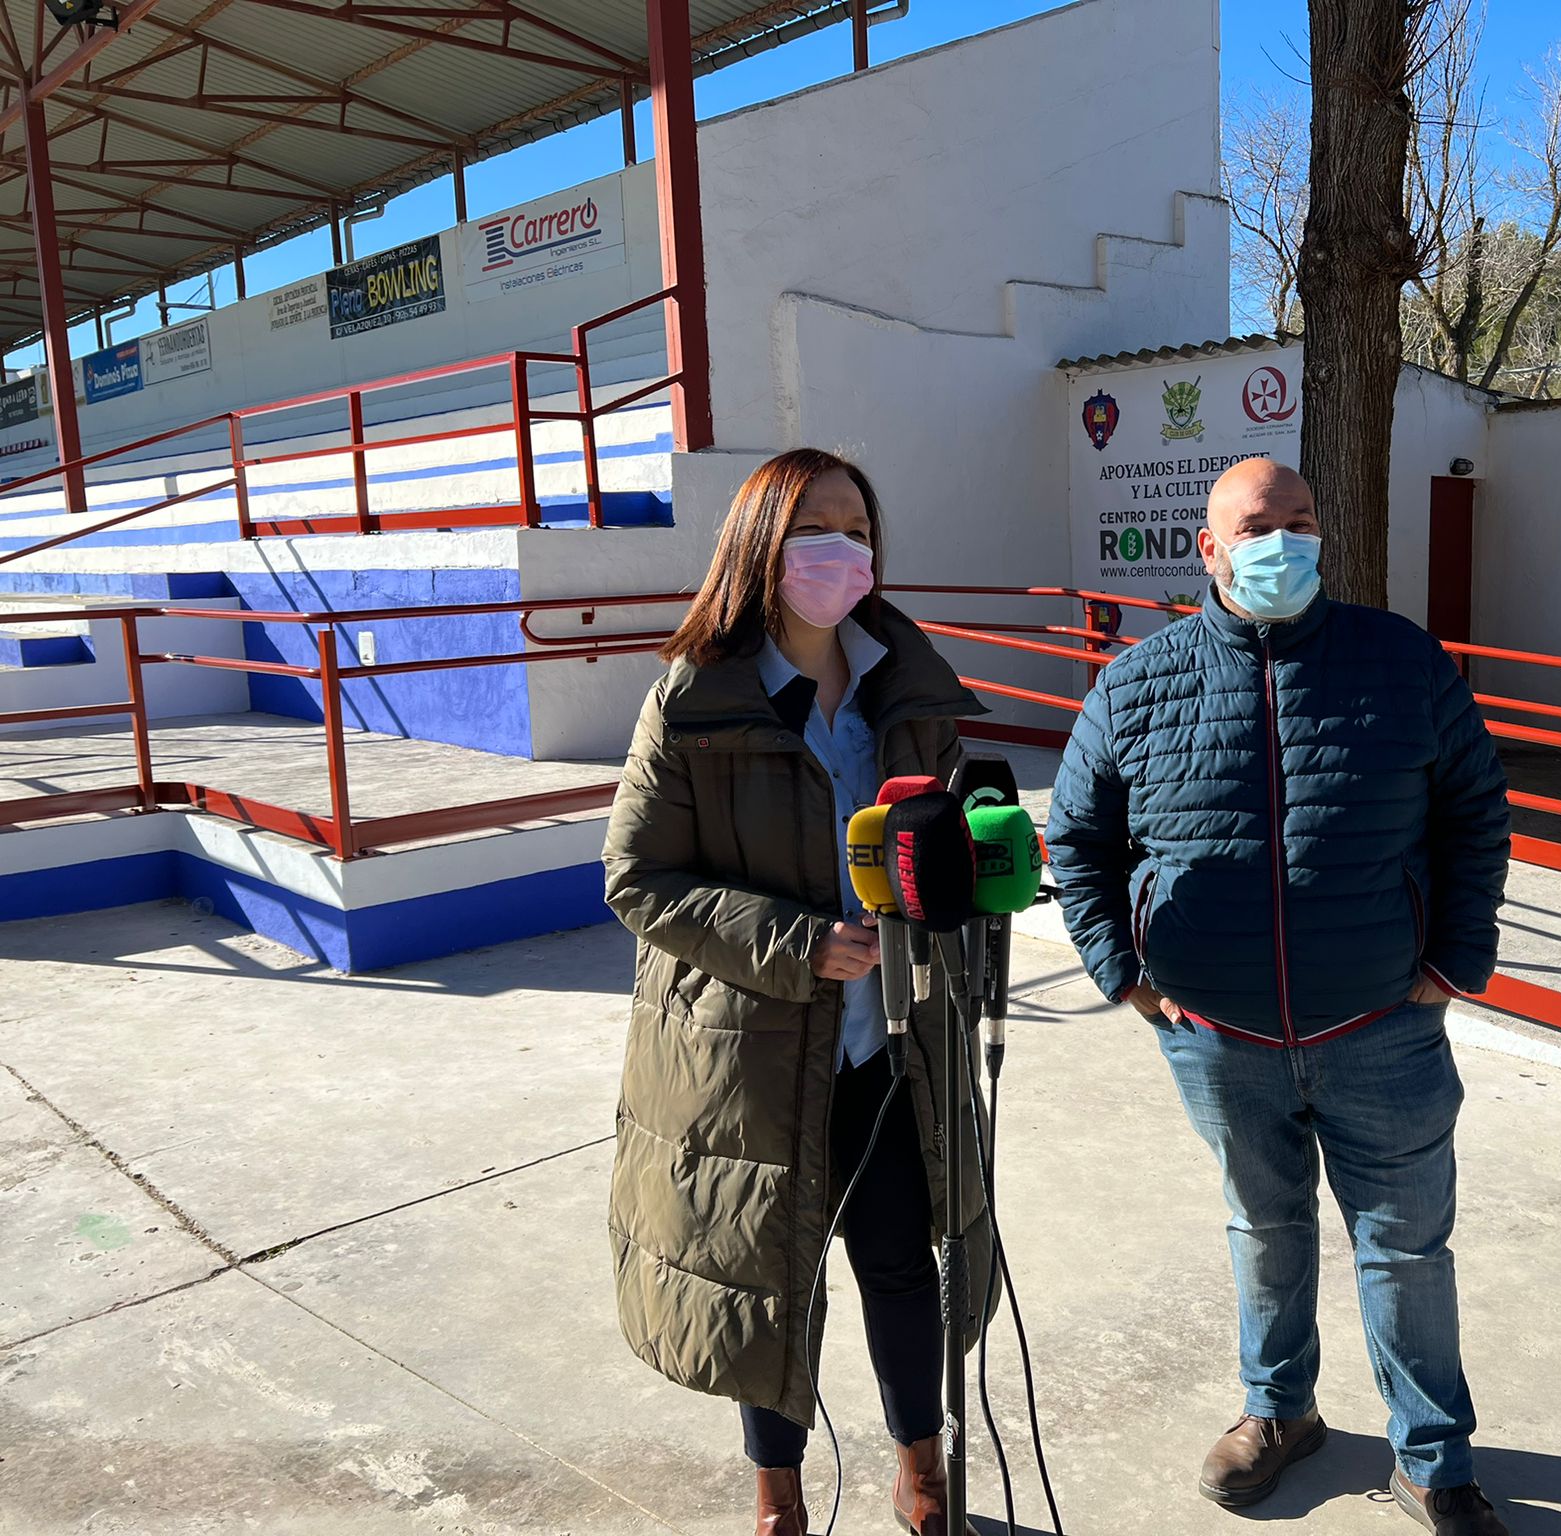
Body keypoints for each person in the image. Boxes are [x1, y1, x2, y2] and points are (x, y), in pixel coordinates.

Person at [1046, 458, 1515, 1536]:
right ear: (1207, 549)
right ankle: (1278, 1411)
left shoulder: (1401, 662)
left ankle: (1433, 1459)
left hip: (1380, 1026)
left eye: (1300, 520)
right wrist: (1120, 972)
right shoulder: (1136, 680)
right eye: (1257, 525)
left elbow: (1472, 812)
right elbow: (1075, 836)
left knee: (1402, 1247)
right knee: (1262, 1226)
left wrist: (1452, 960)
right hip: (1216, 1033)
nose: (1283, 541)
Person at [602, 448, 991, 1536]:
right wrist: (790, 942)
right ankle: (776, 1498)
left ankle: (921, 1477)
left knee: (902, 1269)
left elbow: (945, 833)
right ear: (758, 543)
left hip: (892, 1042)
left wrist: (975, 869)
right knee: (768, 1279)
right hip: (750, 1053)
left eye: (858, 529)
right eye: (815, 525)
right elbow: (635, 880)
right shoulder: (692, 696)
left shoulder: (906, 688)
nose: (841, 547)